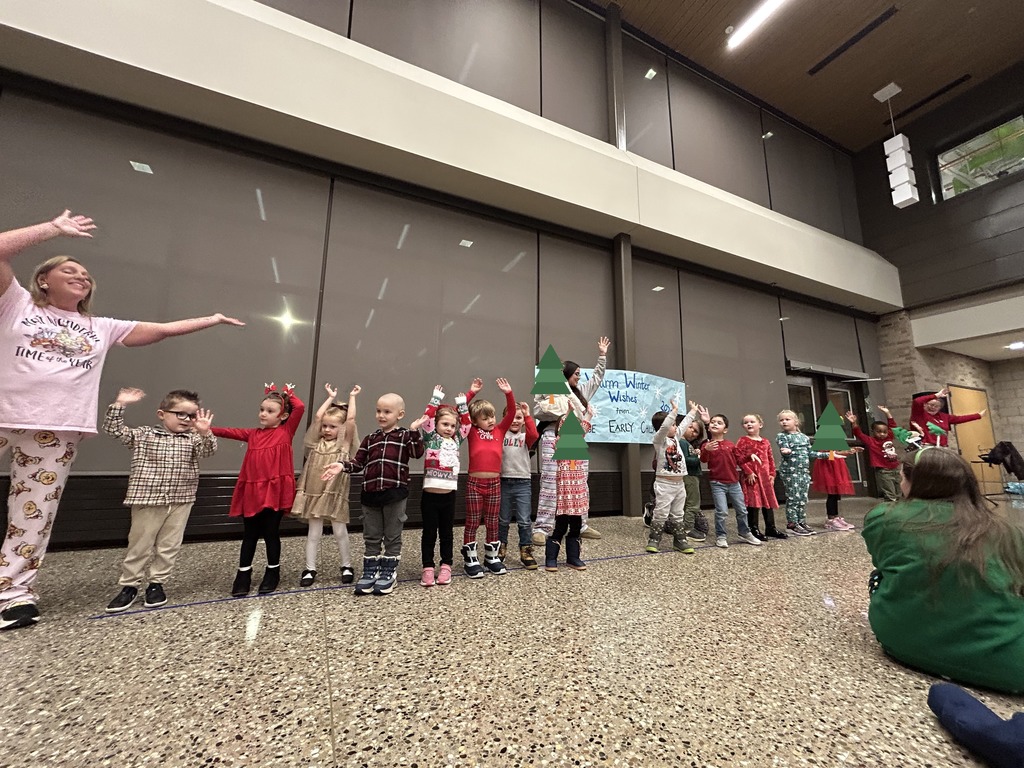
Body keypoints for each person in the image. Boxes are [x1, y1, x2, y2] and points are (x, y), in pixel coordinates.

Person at [0, 209, 242, 631]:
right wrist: (53, 230)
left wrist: (212, 319)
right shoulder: (15, 302)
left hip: (56, 427)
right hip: (4, 413)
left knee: (33, 513)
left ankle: (14, 594)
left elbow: (162, 330)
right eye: (70, 269)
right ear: (43, 279)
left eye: (86, 273)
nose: (82, 275)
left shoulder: (101, 326)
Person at [862, 447, 1024, 694]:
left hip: (904, 641)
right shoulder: (1007, 530)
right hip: (1013, 662)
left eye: (903, 478)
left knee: (879, 576)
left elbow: (884, 561)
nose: (900, 484)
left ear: (917, 482)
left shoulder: (884, 517)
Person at [102, 387, 216, 612]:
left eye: (191, 416)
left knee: (169, 545)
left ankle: (156, 584)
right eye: (180, 414)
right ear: (162, 414)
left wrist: (204, 433)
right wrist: (120, 404)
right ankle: (129, 586)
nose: (186, 420)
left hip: (181, 500)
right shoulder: (144, 435)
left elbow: (208, 451)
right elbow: (114, 430)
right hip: (148, 499)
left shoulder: (193, 439)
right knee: (140, 544)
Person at [322, 393, 425, 596]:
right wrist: (341, 465)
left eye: (387, 411)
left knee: (392, 535)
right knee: (372, 535)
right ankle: (371, 571)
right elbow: (358, 462)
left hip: (395, 493)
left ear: (400, 414)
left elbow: (416, 453)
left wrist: (414, 431)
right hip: (370, 495)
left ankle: (388, 573)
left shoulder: (404, 436)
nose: (381, 415)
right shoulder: (371, 439)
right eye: (378, 411)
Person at [212, 383, 305, 597]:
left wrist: (287, 394)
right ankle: (243, 573)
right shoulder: (253, 434)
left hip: (274, 492)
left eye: (270, 411)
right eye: (262, 409)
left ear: (282, 416)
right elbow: (229, 432)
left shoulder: (285, 431)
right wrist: (207, 429)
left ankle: (273, 572)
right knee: (250, 534)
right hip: (253, 493)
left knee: (271, 533)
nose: (263, 414)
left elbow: (299, 407)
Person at [533, 336, 610, 544]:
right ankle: (543, 527)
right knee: (551, 481)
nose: (579, 377)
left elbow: (596, 380)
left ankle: (580, 523)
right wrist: (559, 411)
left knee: (579, 483)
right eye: (576, 374)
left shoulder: (580, 393)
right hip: (553, 437)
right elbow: (540, 412)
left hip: (575, 441)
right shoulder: (549, 391)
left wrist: (602, 357)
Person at [291, 383, 360, 588]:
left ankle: (346, 565)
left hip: (333, 491)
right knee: (314, 532)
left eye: (332, 427)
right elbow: (318, 417)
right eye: (325, 426)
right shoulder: (315, 443)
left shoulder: (343, 444)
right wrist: (330, 398)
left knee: (340, 531)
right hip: (314, 489)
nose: (327, 429)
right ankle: (310, 568)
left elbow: (350, 420)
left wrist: (352, 397)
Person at [464, 378, 518, 577]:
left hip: (494, 483)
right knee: (472, 521)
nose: (491, 420)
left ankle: (491, 557)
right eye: (485, 418)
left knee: (493, 521)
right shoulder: (471, 431)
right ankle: (470, 558)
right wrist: (471, 393)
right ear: (475, 420)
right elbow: (459, 413)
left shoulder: (499, 431)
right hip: (474, 483)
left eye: (492, 416)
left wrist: (508, 393)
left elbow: (511, 413)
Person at [418, 385, 471, 587]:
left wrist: (462, 406)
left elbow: (467, 425)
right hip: (430, 496)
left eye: (451, 425)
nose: (449, 428)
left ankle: (446, 565)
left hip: (448, 496)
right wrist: (435, 399)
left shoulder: (456, 439)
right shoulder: (431, 437)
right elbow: (427, 418)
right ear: (437, 424)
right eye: (444, 424)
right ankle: (428, 568)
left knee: (447, 533)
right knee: (429, 533)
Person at [699, 413, 762, 548]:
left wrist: (750, 456)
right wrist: (706, 450)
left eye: (719, 423)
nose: (715, 424)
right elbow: (703, 459)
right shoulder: (707, 444)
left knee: (742, 510)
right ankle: (721, 536)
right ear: (709, 427)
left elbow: (739, 459)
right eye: (712, 422)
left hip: (734, 483)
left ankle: (744, 532)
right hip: (717, 483)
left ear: (725, 429)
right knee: (721, 511)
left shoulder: (730, 445)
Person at [646, 400, 700, 554]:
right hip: (664, 484)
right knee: (661, 512)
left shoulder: (676, 438)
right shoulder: (659, 440)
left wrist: (692, 412)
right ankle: (654, 539)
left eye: (675, 424)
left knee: (678, 513)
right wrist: (673, 412)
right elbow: (664, 427)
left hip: (679, 484)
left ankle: (680, 540)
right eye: (672, 424)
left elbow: (684, 424)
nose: (675, 427)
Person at [545, 415, 590, 572]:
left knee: (576, 526)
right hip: (565, 498)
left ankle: (573, 558)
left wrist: (588, 414)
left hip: (578, 496)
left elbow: (583, 428)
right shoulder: (559, 444)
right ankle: (551, 558)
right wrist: (569, 412)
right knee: (560, 526)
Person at [499, 400, 539, 570]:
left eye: (519, 418)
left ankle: (526, 550)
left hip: (523, 482)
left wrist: (528, 415)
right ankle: (500, 548)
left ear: (523, 420)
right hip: (504, 481)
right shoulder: (501, 435)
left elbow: (534, 435)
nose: (515, 421)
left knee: (524, 519)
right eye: (511, 418)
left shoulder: (525, 438)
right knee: (503, 519)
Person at [736, 413, 787, 540]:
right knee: (753, 502)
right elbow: (739, 458)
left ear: (760, 424)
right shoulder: (743, 441)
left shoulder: (765, 442)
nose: (749, 424)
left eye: (752, 421)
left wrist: (772, 474)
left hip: (765, 478)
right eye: (746, 422)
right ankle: (753, 528)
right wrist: (748, 471)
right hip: (752, 477)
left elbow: (770, 459)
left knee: (767, 502)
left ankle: (771, 527)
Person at [846, 406, 900, 502]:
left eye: (884, 432)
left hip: (895, 469)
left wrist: (887, 413)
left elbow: (893, 426)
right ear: (873, 432)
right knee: (890, 495)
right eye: (879, 432)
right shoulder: (871, 441)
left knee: (899, 493)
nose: (882, 434)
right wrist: (854, 423)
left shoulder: (889, 437)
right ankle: (890, 512)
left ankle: (900, 510)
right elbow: (858, 433)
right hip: (884, 471)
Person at [910, 388, 985, 448]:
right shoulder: (919, 414)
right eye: (931, 405)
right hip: (926, 447)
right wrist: (936, 395)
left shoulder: (944, 416)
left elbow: (960, 419)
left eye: (936, 406)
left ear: (940, 407)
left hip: (942, 448)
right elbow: (916, 401)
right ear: (925, 405)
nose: (933, 408)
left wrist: (978, 415)